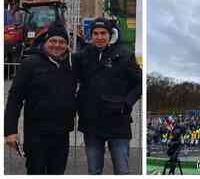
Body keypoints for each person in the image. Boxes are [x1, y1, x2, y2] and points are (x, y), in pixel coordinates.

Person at [4, 22, 77, 174]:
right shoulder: (30, 64)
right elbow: (15, 98)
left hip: (61, 134)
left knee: (57, 172)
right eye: (53, 41)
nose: (57, 45)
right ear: (46, 42)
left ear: (67, 45)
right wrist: (10, 131)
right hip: (36, 134)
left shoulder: (71, 65)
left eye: (62, 42)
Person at [76, 17, 142, 174]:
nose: (99, 37)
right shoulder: (83, 55)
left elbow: (140, 83)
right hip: (91, 122)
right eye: (96, 33)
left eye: (103, 33)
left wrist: (127, 103)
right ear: (91, 35)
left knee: (122, 170)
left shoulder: (125, 55)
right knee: (94, 170)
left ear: (110, 34)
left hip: (117, 120)